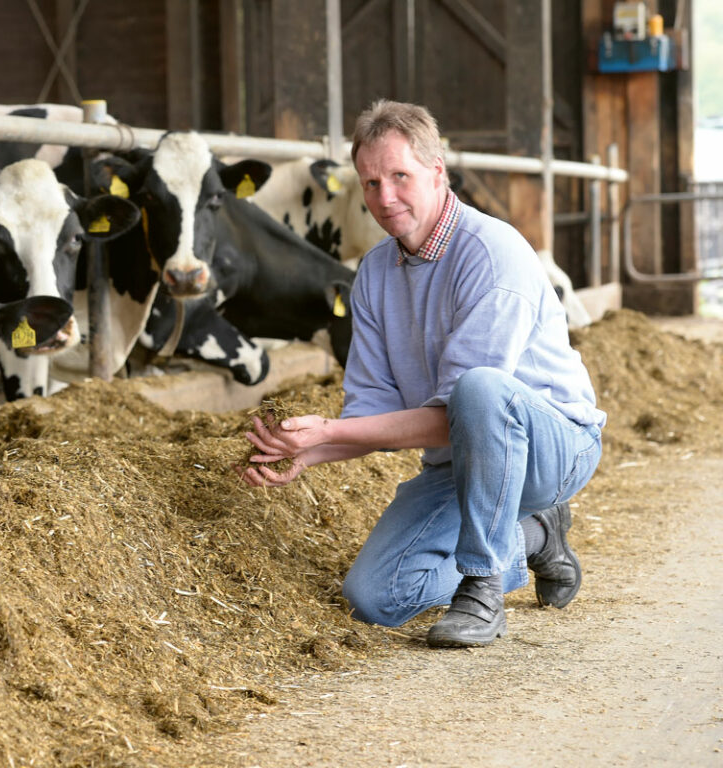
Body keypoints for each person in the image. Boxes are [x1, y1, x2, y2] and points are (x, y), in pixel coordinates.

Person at [238, 99, 606, 648]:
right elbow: (373, 414)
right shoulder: (374, 276)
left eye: (399, 177)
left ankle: (482, 588)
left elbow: (460, 412)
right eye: (370, 183)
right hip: (459, 461)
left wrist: (331, 432)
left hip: (551, 448)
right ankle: (533, 536)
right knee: (375, 596)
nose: (384, 199)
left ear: (438, 172)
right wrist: (305, 451)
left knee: (477, 388)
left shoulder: (490, 253)